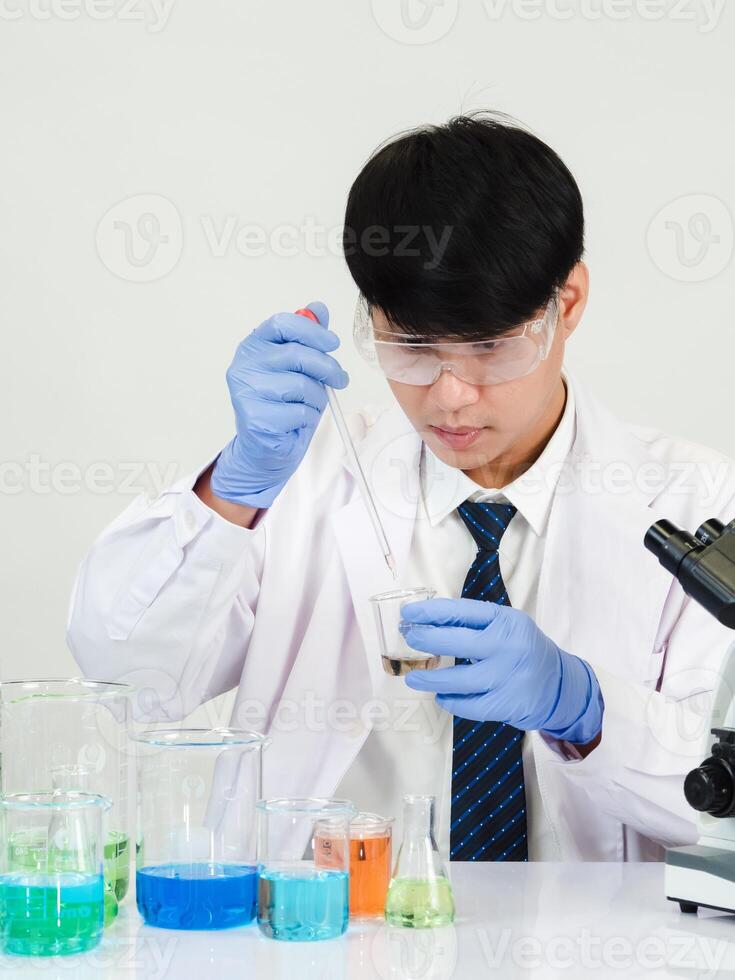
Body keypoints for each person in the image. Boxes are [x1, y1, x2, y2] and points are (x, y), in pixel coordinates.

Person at [67, 113, 735, 862]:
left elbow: (723, 815)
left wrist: (583, 709)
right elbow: (130, 682)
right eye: (411, 346)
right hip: (319, 940)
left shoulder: (697, 499)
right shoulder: (299, 477)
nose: (448, 396)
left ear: (566, 303)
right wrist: (233, 489)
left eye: (488, 346)